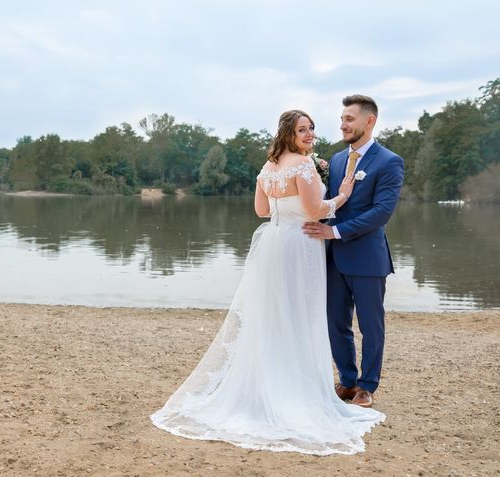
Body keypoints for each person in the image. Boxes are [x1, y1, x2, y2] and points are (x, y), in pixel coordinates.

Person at [151, 110, 385, 455]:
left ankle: (264, 384)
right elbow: (315, 211)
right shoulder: (304, 167)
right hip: (300, 244)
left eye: (312, 129)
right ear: (289, 133)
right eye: (302, 129)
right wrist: (344, 195)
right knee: (300, 315)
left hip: (273, 243)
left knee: (274, 314)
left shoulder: (268, 167)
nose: (309, 134)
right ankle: (295, 390)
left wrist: (290, 203)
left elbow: (262, 210)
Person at [303, 95, 405, 408]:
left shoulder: (389, 162)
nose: (343, 124)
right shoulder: (333, 161)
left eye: (350, 119)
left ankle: (367, 386)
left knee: (371, 325)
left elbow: (381, 212)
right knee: (336, 322)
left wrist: (334, 231)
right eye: (343, 118)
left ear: (369, 121)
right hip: (333, 258)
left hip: (367, 258)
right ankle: (347, 381)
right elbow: (329, 204)